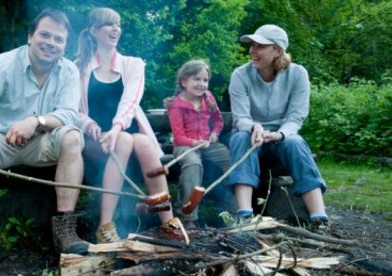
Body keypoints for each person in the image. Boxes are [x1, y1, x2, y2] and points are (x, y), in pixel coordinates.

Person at [0, 9, 89, 274]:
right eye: (45, 35)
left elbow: (69, 114)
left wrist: (36, 121)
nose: (51, 43)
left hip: (41, 143)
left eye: (58, 39)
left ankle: (65, 230)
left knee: (72, 137)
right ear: (30, 36)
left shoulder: (69, 71)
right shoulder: (1, 65)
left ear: (64, 45)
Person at [75, 7, 178, 243]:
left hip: (123, 130)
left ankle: (168, 222)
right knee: (123, 140)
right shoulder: (79, 67)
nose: (115, 29)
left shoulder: (133, 64)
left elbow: (130, 101)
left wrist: (117, 128)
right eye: (108, 25)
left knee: (143, 144)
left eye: (118, 25)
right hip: (95, 139)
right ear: (93, 31)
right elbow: (75, 111)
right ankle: (105, 226)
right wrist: (92, 127)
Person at [227, 24, 329, 227]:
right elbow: (240, 117)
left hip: (281, 139)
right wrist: (253, 127)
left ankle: (319, 217)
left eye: (260, 46)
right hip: (251, 137)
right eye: (252, 45)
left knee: (295, 143)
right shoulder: (240, 74)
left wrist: (280, 134)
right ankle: (244, 215)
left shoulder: (298, 74)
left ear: (277, 51)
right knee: (239, 137)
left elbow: (296, 117)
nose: (252, 51)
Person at [167, 59, 234, 228]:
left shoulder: (208, 98)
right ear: (184, 81)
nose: (201, 84)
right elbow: (179, 136)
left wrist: (214, 133)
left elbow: (218, 121)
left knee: (228, 158)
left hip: (206, 143)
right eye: (196, 79)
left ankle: (232, 209)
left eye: (205, 80)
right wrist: (195, 142)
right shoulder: (177, 105)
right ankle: (189, 217)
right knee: (193, 164)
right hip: (185, 145)